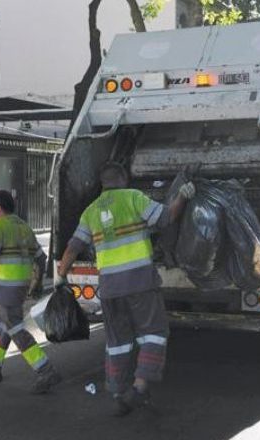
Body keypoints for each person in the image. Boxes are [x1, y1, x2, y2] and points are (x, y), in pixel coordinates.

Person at [56, 162, 195, 416]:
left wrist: (61, 275)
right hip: (140, 283)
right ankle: (140, 385)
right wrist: (183, 196)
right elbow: (167, 217)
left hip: (109, 288)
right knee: (154, 333)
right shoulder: (134, 198)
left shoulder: (90, 211)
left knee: (117, 342)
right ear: (123, 178)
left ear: (102, 182)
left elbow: (73, 247)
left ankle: (119, 391)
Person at [0, 190, 62, 394]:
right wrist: (37, 283)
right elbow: (41, 259)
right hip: (20, 288)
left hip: (4, 288)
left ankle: (45, 370)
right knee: (2, 326)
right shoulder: (24, 227)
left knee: (15, 329)